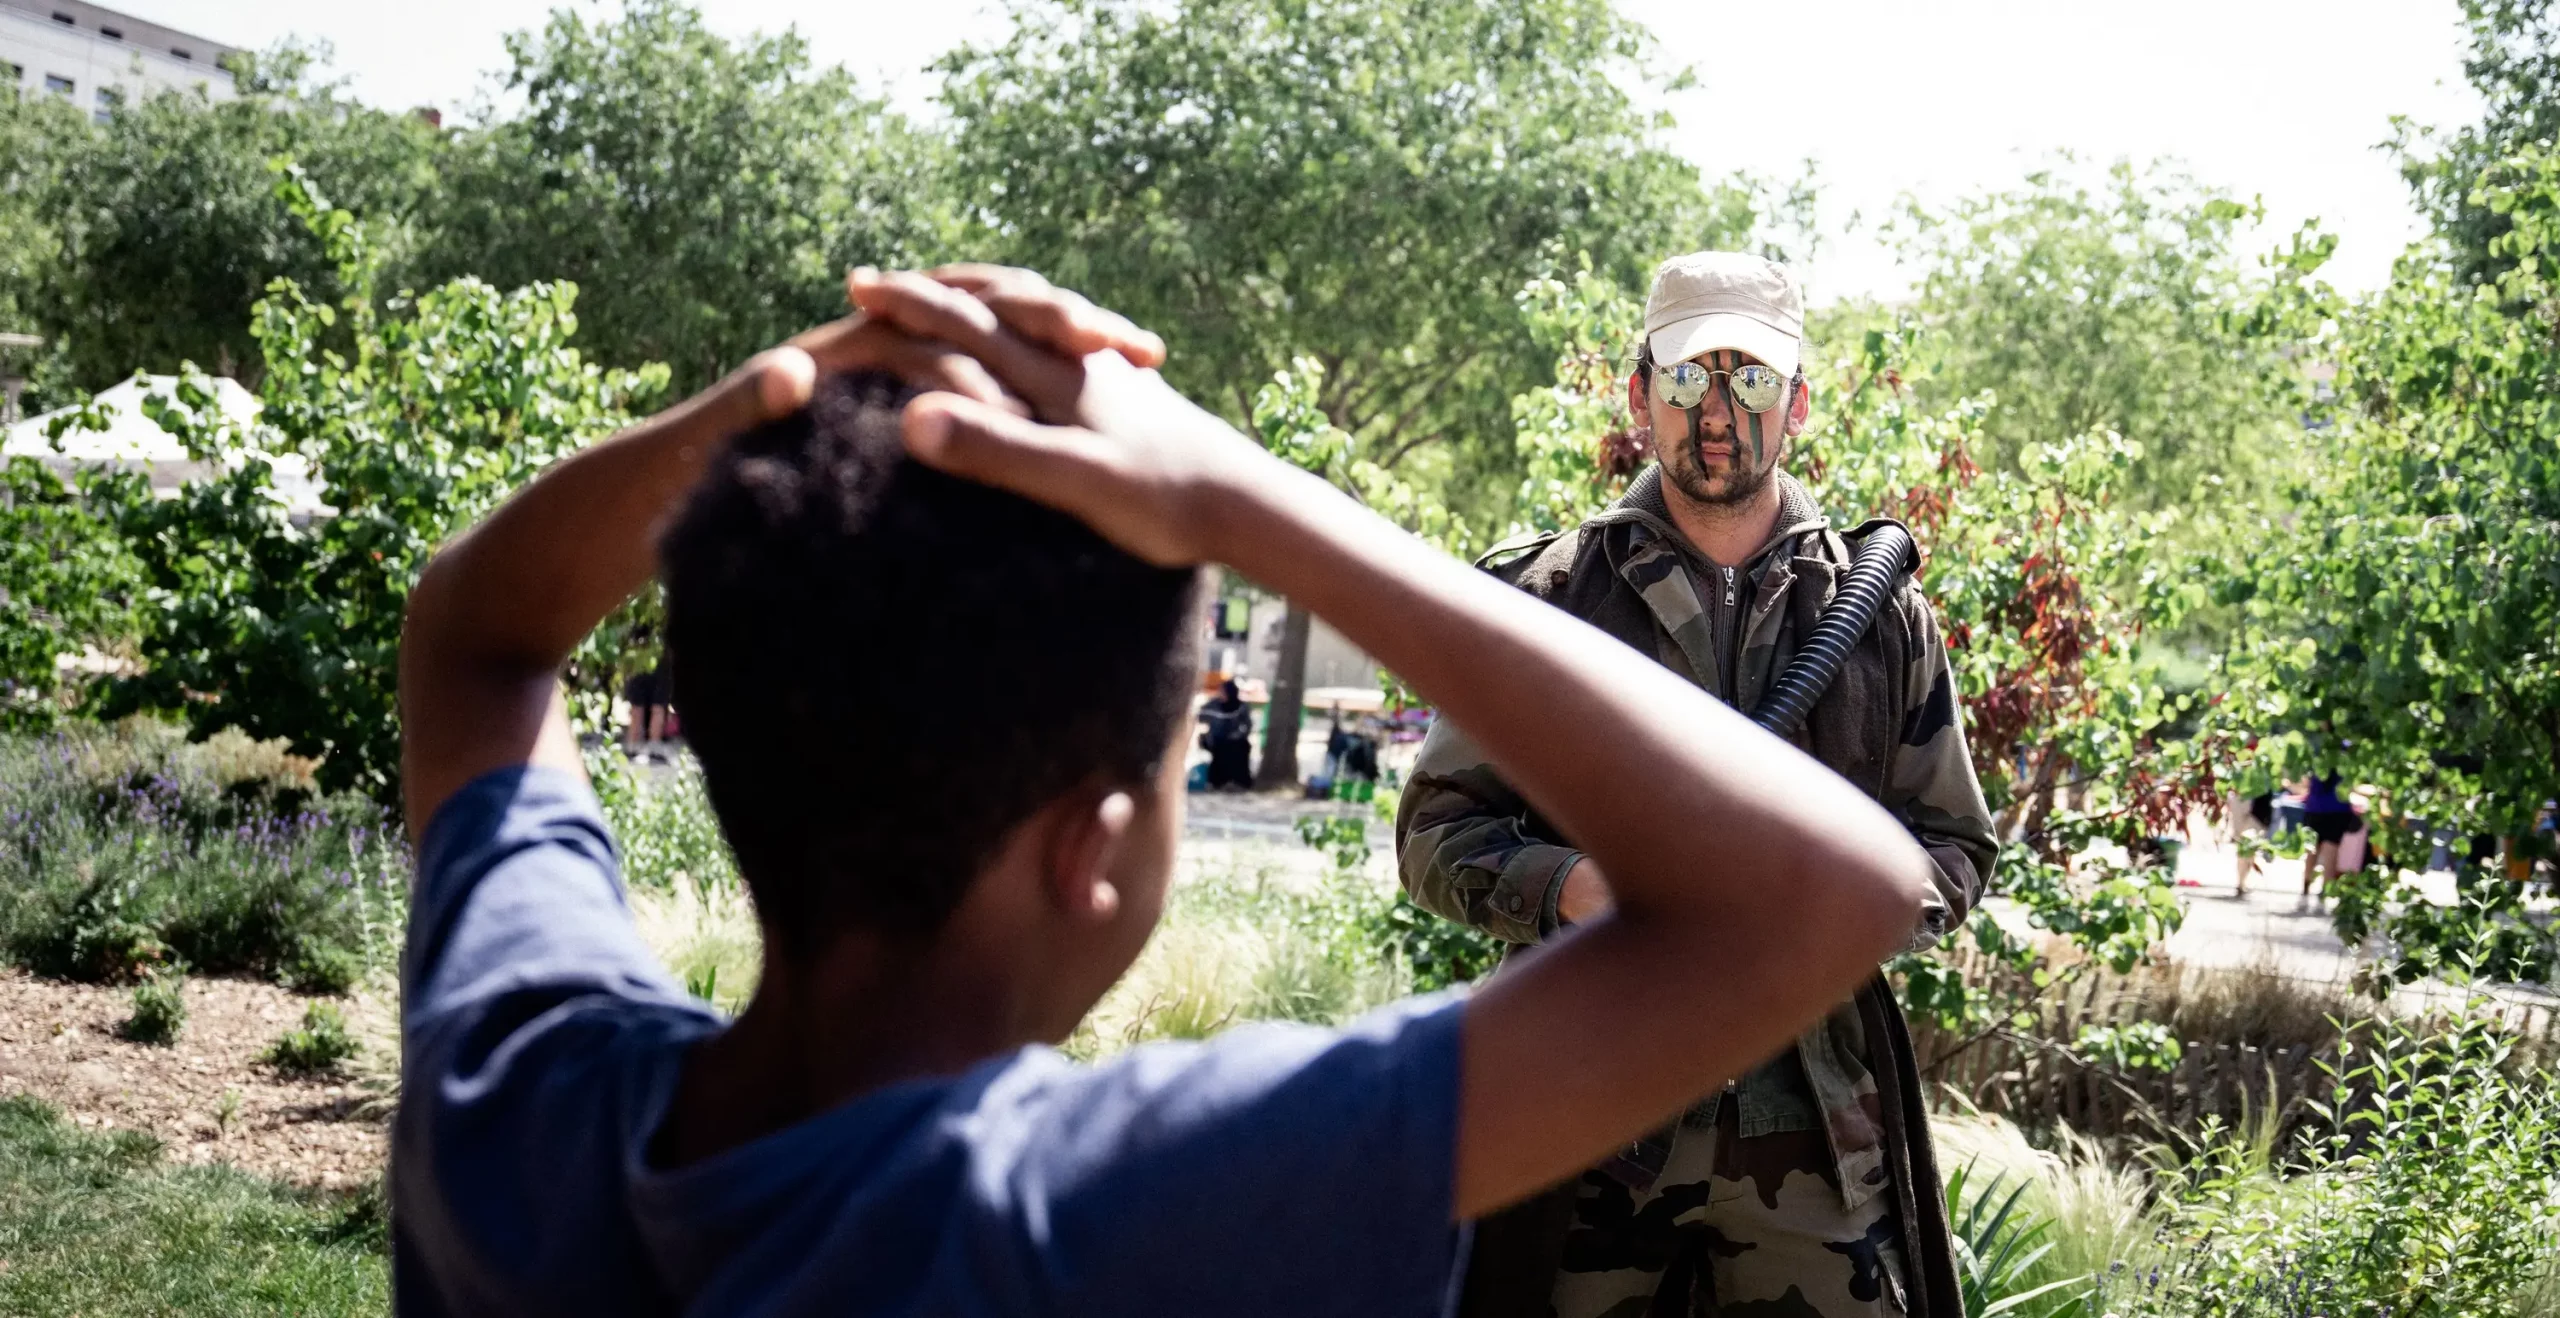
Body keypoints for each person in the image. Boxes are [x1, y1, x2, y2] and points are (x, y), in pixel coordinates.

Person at [390, 266, 1939, 1315]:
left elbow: (472, 640)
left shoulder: (517, 1099)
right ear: (1101, 842)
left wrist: (781, 400)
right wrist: (1231, 492)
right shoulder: (1139, 1207)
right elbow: (1825, 887)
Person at [1397, 251, 2000, 1318]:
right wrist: (1580, 889)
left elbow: (1953, 843)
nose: (1715, 413)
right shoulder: (1549, 597)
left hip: (1813, 1140)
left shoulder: (1875, 613)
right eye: (1685, 380)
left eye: (1751, 380)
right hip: (1584, 1124)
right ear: (1639, 398)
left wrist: (1829, 909)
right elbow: (1437, 834)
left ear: (1798, 404)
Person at [2297, 773, 2360, 905]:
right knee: (2331, 849)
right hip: (2338, 807)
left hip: (2314, 807)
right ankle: (2325, 889)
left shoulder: (2316, 752)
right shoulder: (2347, 753)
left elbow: (2305, 781)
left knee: (2311, 849)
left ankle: (2306, 884)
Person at [1199, 678, 1255, 789]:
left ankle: (1238, 781)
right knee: (1221, 749)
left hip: (1236, 739)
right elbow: (1201, 718)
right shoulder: (1213, 705)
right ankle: (1218, 781)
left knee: (1240, 748)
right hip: (1216, 740)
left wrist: (1238, 734)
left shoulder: (1241, 707)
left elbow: (1247, 725)